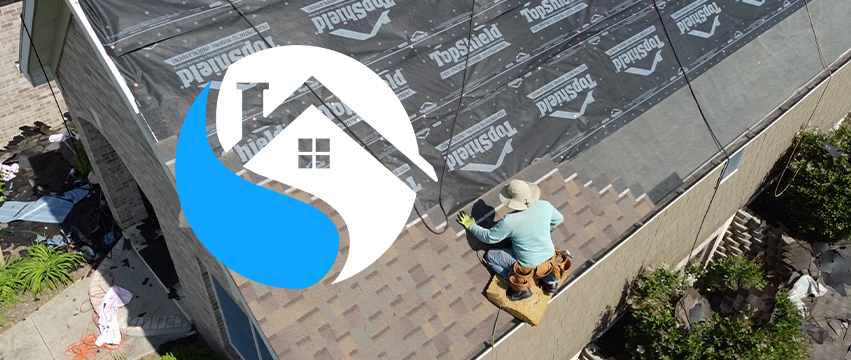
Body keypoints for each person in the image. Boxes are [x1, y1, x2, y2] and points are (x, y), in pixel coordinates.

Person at [457, 179, 569, 301]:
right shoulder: (544, 205)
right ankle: (550, 281)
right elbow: (559, 219)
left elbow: (489, 237)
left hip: (526, 265)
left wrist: (471, 226)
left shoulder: (510, 221)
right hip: (549, 258)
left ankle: (520, 288)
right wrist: (546, 228)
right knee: (537, 259)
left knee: (491, 256)